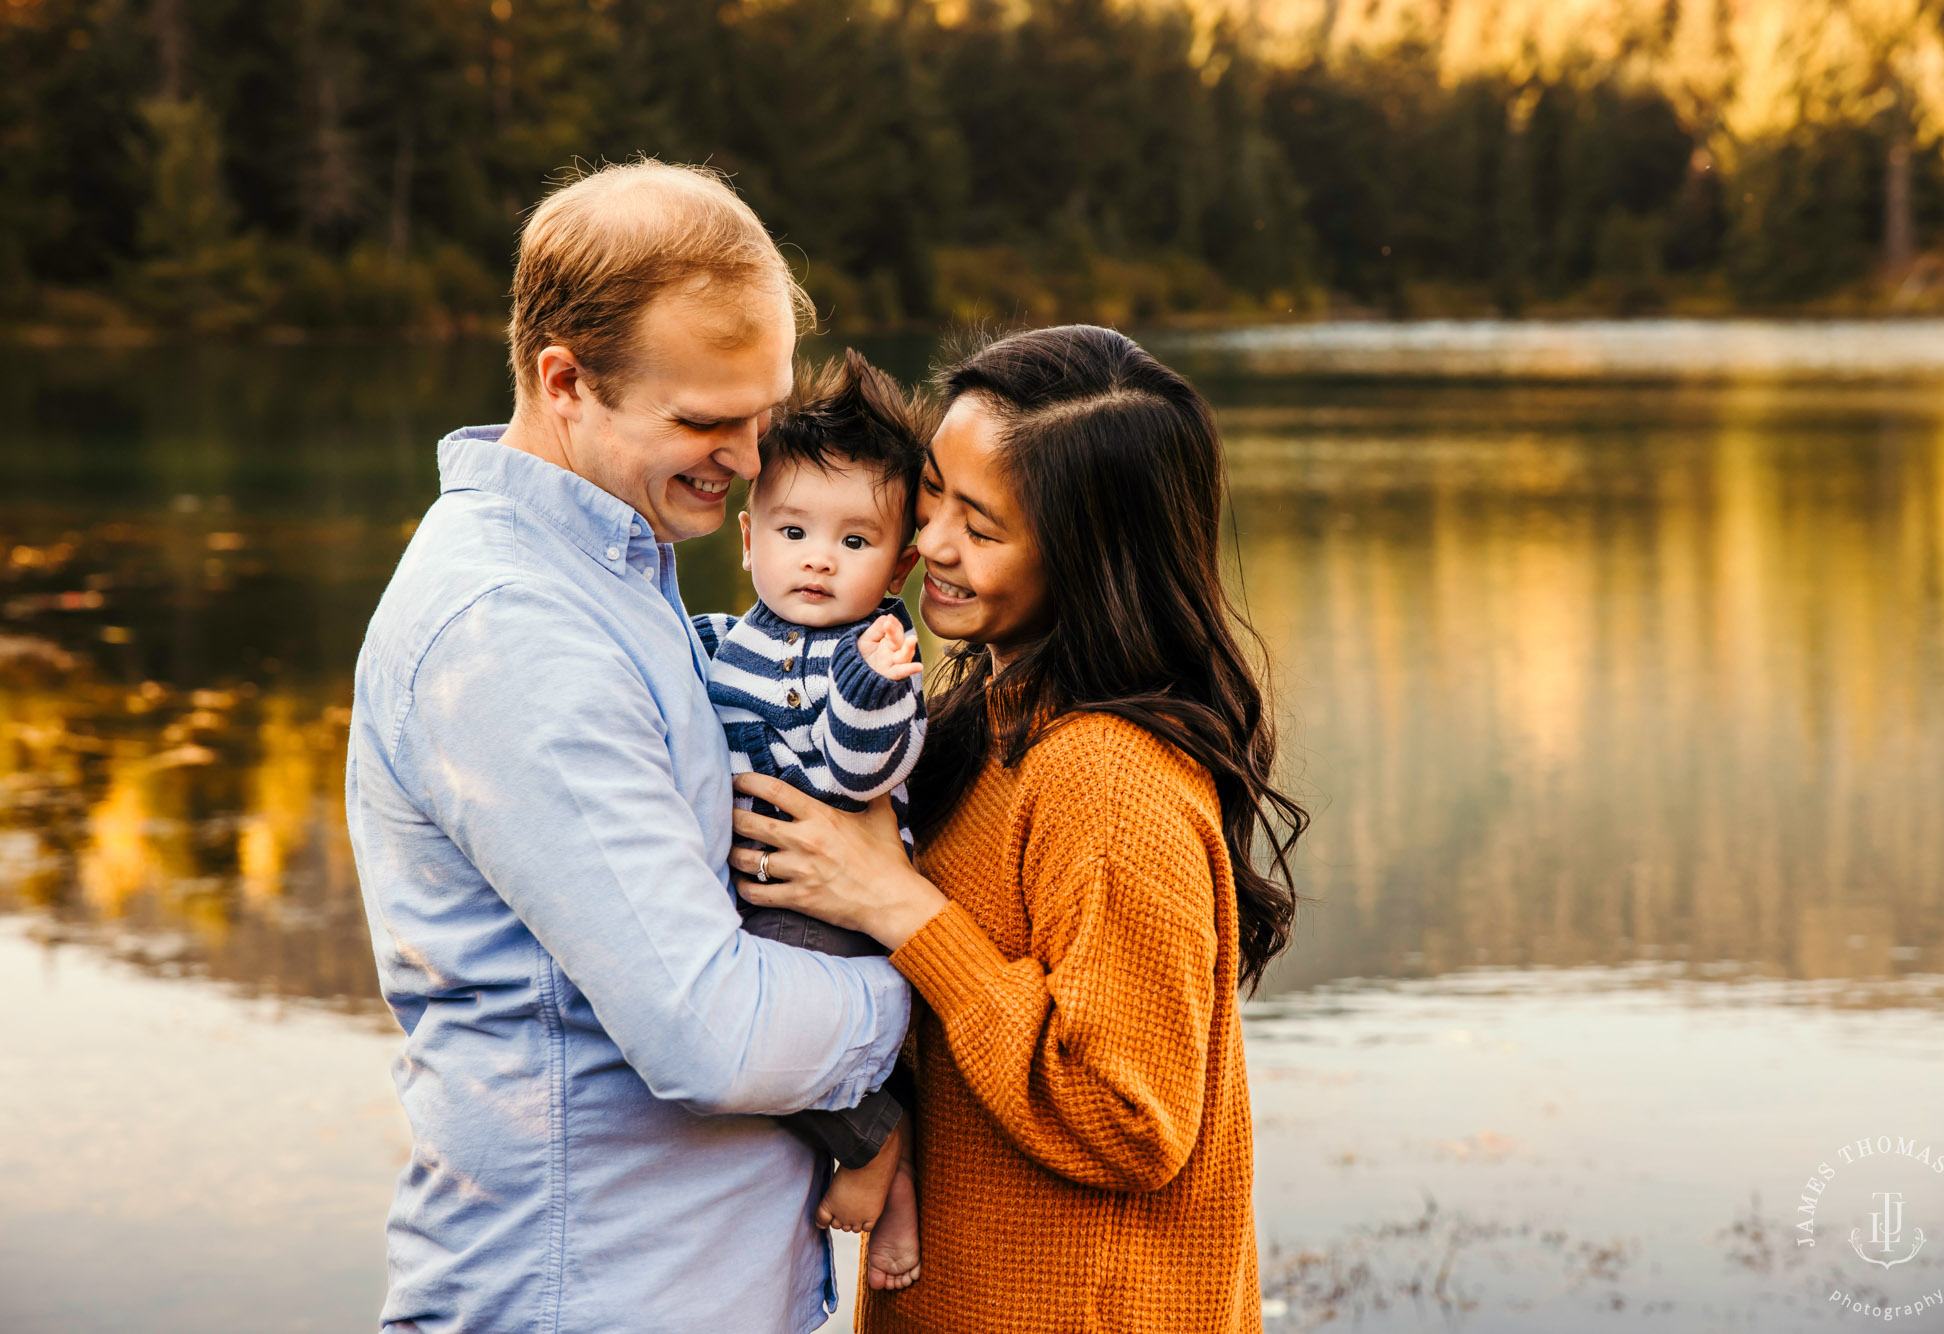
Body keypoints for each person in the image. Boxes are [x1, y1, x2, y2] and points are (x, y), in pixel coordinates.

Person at [343, 161, 910, 1334]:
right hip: (585, 1295)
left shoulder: (616, 570)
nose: (751, 459)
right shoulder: (510, 628)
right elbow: (711, 1030)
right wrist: (925, 980)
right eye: (705, 420)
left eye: (762, 414)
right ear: (565, 381)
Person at [730, 324, 1310, 1333]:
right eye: (933, 494)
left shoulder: (1106, 777)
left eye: (981, 524)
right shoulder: (979, 721)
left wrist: (900, 907)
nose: (929, 543)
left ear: (1087, 555)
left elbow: (1129, 1120)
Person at [691, 348, 931, 1291]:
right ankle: (888, 1152)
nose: (819, 559)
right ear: (748, 538)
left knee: (759, 1026)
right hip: (750, 884)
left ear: (901, 562)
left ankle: (873, 1144)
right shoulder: (721, 640)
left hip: (827, 906)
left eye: (856, 542)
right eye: (793, 530)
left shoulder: (877, 662)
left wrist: (873, 681)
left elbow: (858, 765)